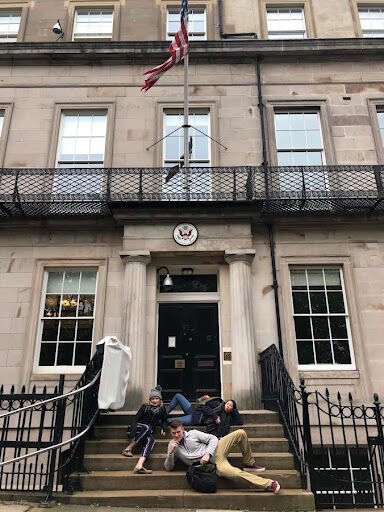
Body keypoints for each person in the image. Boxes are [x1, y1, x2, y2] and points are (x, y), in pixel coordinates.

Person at [164, 419, 280, 494]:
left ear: (182, 429)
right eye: (173, 433)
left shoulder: (193, 434)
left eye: (178, 432)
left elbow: (212, 438)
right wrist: (171, 453)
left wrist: (208, 453)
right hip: (214, 463)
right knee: (235, 473)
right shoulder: (172, 446)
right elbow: (168, 468)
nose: (176, 435)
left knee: (241, 433)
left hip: (217, 449)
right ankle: (269, 483)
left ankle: (248, 462)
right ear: (170, 433)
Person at [122, 385, 168, 474]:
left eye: (157, 398)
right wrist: (132, 432)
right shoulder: (144, 407)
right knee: (147, 427)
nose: (155, 401)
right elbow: (135, 419)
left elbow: (164, 421)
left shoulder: (162, 409)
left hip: (147, 432)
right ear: (150, 400)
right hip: (136, 429)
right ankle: (128, 449)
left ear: (160, 400)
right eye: (153, 399)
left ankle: (139, 465)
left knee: (151, 439)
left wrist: (164, 429)